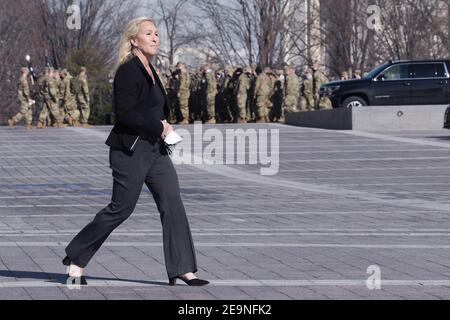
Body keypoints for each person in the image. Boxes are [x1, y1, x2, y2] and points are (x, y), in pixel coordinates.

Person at [62, 17, 209, 287]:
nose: (155, 38)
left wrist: (164, 127)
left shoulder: (150, 69)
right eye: (148, 33)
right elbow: (125, 114)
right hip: (130, 150)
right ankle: (77, 257)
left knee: (172, 201)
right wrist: (158, 126)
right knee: (121, 208)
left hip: (155, 150)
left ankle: (184, 268)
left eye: (156, 33)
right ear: (133, 40)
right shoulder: (128, 70)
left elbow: (152, 109)